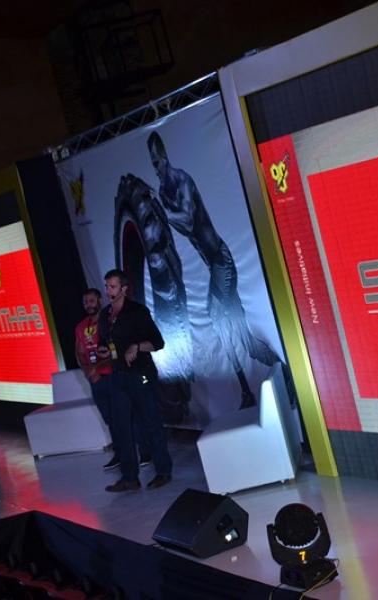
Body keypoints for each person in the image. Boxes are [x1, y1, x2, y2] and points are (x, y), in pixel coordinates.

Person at [147, 131, 279, 408]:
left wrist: (163, 213)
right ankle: (271, 376)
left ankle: (249, 390)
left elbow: (187, 220)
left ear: (165, 157)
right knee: (243, 337)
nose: (156, 168)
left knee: (219, 318)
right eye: (152, 164)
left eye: (157, 162)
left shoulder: (182, 181)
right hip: (213, 266)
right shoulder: (163, 191)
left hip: (221, 260)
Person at [97, 269, 172, 492]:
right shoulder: (105, 315)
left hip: (140, 373)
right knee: (121, 427)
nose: (108, 291)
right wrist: (103, 351)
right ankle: (130, 477)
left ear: (123, 288)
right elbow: (105, 343)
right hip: (117, 375)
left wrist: (136, 346)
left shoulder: (137, 311)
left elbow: (158, 342)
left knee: (150, 422)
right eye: (107, 286)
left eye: (112, 286)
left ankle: (163, 471)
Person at [74, 288, 151, 471]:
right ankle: (120, 454)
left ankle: (145, 451)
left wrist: (97, 368)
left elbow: (117, 351)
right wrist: (88, 370)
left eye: (91, 301)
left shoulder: (109, 321)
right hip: (96, 380)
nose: (88, 305)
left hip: (114, 375)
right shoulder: (81, 326)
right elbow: (79, 352)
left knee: (129, 417)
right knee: (110, 419)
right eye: (85, 302)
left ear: (100, 300)